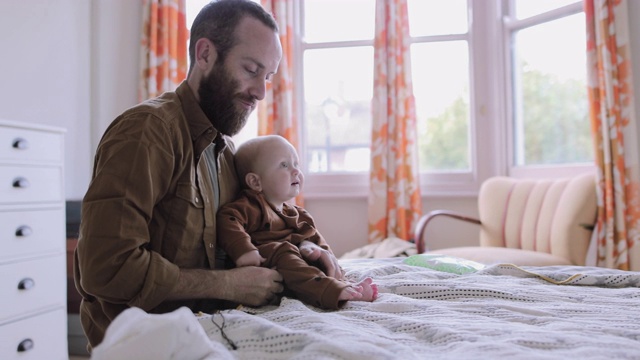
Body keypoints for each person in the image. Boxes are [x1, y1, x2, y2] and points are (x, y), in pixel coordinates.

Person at [73, 0, 342, 350]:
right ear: (204, 54)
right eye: (250, 69)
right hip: (145, 346)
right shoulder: (147, 133)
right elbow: (107, 268)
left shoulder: (226, 152)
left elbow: (255, 231)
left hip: (212, 332)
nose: (261, 91)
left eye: (268, 77)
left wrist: (311, 251)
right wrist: (227, 285)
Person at [217, 135, 378, 309]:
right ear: (255, 182)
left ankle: (338, 279)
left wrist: (317, 251)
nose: (295, 171)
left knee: (317, 247)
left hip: (292, 272)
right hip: (265, 266)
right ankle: (330, 291)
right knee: (285, 250)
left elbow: (313, 238)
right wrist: (243, 250)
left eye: (296, 164)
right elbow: (228, 219)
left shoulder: (298, 214)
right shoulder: (250, 205)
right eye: (284, 165)